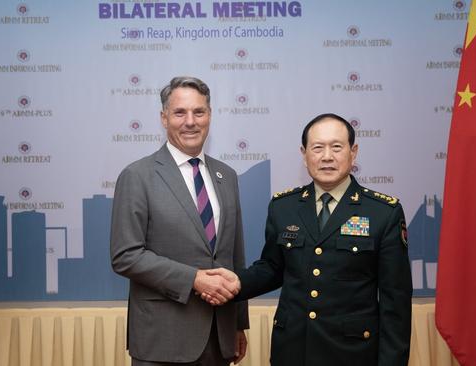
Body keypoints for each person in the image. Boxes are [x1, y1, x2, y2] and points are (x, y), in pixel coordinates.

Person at [205, 113, 412, 365]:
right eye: (317, 148)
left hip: (353, 353)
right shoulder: (284, 207)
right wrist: (237, 282)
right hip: (292, 350)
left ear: (353, 152)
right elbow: (272, 268)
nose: (327, 156)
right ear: (304, 155)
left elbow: (395, 303)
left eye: (336, 147)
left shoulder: (383, 212)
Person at [110, 76, 249, 366]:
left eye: (199, 112)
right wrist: (194, 279)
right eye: (179, 113)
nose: (190, 121)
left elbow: (235, 257)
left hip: (219, 337)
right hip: (163, 340)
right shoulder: (138, 176)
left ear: (210, 116)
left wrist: (238, 323)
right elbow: (125, 256)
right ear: (163, 118)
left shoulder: (227, 176)